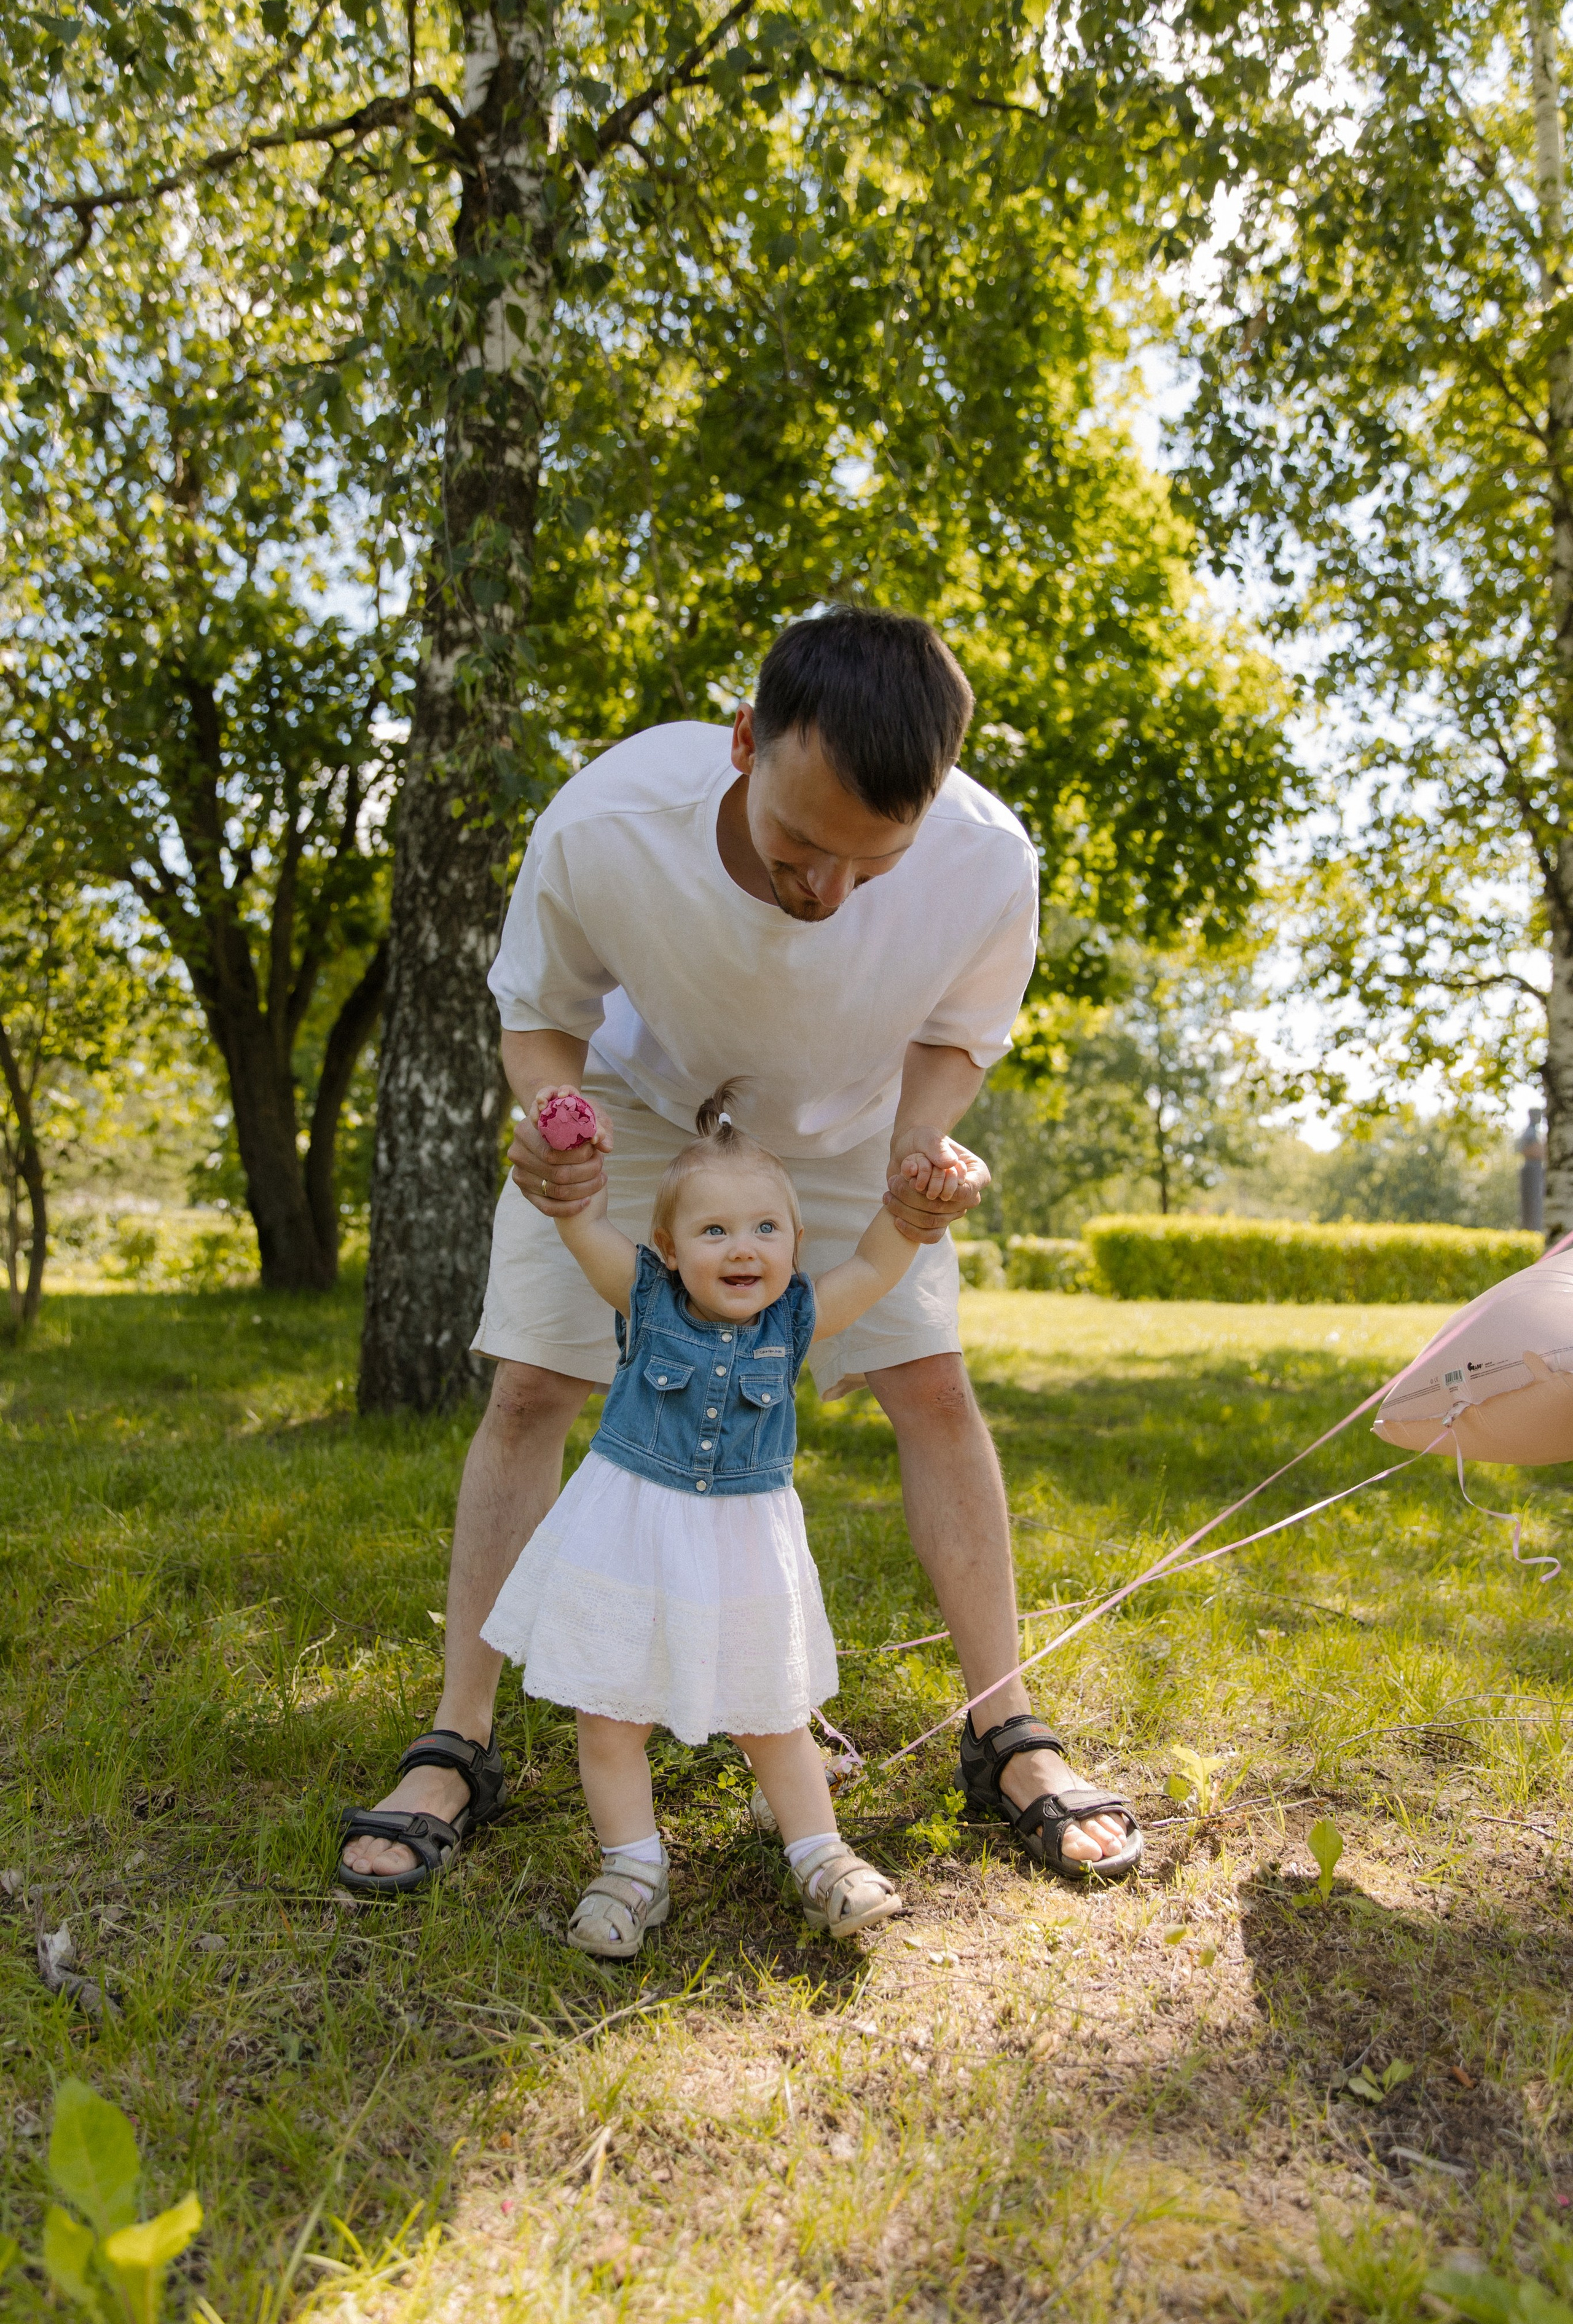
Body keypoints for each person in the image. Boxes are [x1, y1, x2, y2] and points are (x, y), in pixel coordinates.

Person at [337, 607, 1142, 1897]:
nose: (826, 894)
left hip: (852, 1125)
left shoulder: (988, 858)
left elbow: (958, 1032)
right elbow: (539, 1013)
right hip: (641, 1109)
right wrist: (558, 1125)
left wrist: (919, 1148)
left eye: (871, 865)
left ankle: (1007, 1730)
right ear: (742, 744)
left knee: (933, 1387)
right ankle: (458, 1739)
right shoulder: (608, 823)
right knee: (534, 1389)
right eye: (799, 847)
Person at [479, 1085, 963, 1953]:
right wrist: (570, 1163)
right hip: (631, 1536)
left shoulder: (798, 1317)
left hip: (743, 1547)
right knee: (609, 1717)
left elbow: (876, 1264)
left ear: (795, 1244)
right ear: (667, 1249)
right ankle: (632, 1870)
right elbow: (583, 1227)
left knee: (772, 1711)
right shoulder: (645, 1299)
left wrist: (912, 1207)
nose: (743, 1248)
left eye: (766, 1229)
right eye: (713, 1231)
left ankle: (822, 1857)